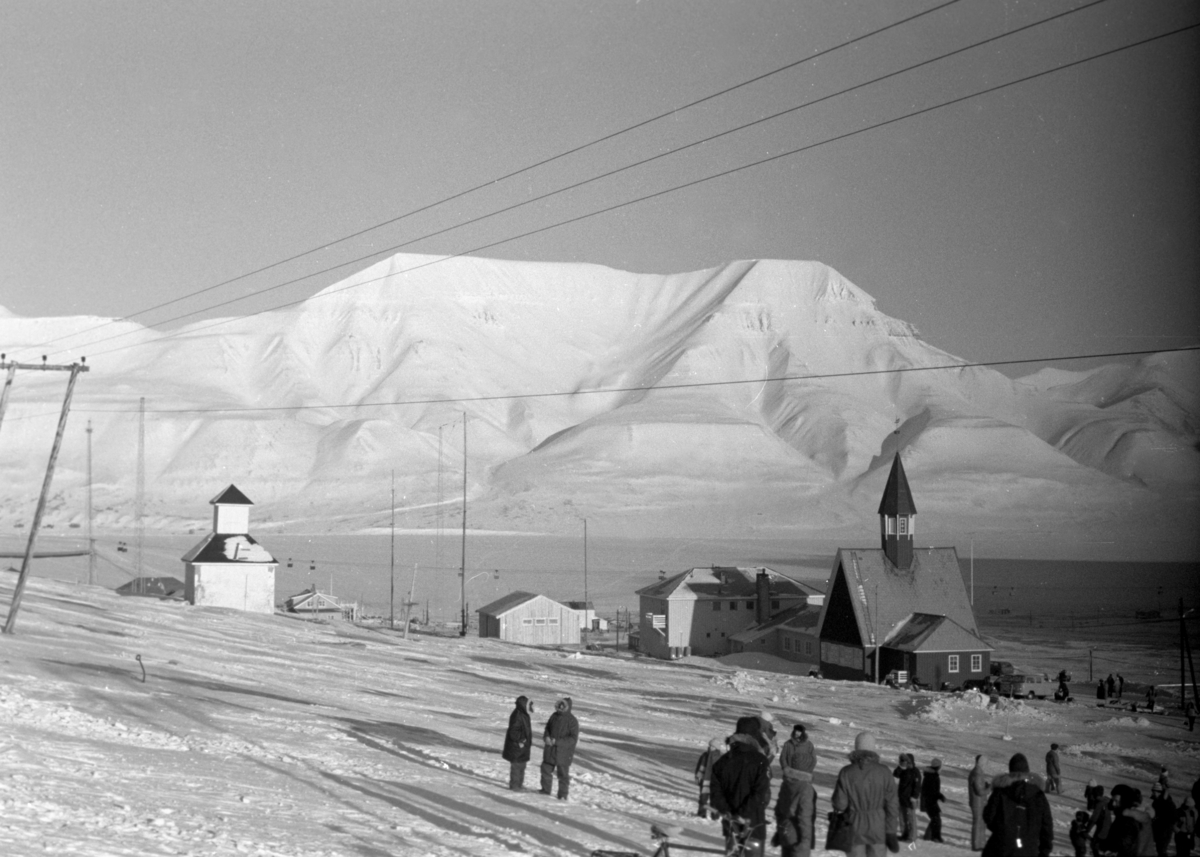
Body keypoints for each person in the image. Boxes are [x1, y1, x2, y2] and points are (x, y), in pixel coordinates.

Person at [830, 731, 900, 857]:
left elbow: (839, 804)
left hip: (853, 826)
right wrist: (891, 831)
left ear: (856, 748)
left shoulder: (846, 772)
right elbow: (892, 805)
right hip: (878, 826)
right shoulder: (884, 772)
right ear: (873, 749)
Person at [711, 716, 772, 857]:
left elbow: (715, 792)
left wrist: (728, 812)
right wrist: (744, 813)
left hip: (731, 826)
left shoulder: (723, 761)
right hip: (753, 826)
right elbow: (761, 793)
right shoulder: (760, 761)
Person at [981, 752, 1054, 857]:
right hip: (1029, 849)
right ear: (1027, 771)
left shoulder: (1001, 792)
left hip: (1001, 847)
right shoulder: (1038, 795)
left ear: (1010, 770)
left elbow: (988, 816)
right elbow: (1047, 826)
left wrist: (1003, 830)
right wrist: (1044, 851)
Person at [540, 697, 579, 800]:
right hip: (550, 750)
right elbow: (547, 728)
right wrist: (546, 737)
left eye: (563, 705)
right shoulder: (554, 716)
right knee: (545, 770)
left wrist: (558, 742)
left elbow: (573, 739)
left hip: (564, 753)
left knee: (563, 775)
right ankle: (545, 790)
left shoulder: (572, 721)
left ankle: (562, 795)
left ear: (568, 707)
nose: (561, 707)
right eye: (560, 705)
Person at [774, 764, 817, 857]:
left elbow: (778, 809)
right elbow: (804, 816)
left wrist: (778, 831)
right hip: (798, 835)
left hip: (785, 830)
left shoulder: (786, 784)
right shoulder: (806, 788)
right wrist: (806, 841)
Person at [1108, 785, 1153, 857]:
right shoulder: (1123, 816)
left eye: (1116, 801)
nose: (1113, 804)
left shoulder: (1129, 819)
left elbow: (1125, 843)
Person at [501, 695, 533, 790]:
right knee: (516, 768)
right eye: (529, 705)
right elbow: (513, 731)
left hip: (522, 748)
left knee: (522, 766)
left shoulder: (524, 714)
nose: (531, 707)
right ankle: (514, 786)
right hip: (516, 747)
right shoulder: (517, 715)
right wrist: (521, 739)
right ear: (524, 705)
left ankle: (519, 784)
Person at [893, 753, 921, 843]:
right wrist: (900, 767)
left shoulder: (915, 771)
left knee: (911, 818)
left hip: (910, 799)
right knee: (902, 818)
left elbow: (917, 786)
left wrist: (914, 797)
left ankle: (912, 837)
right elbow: (895, 775)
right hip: (901, 797)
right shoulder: (903, 770)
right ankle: (904, 835)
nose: (905, 763)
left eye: (906, 761)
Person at [694, 737, 724, 819]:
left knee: (714, 801)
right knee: (703, 799)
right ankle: (701, 814)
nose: (710, 747)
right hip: (704, 782)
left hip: (715, 783)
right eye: (710, 745)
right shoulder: (704, 755)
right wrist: (697, 777)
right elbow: (699, 767)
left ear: (716, 748)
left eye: (712, 746)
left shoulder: (721, 757)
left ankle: (714, 816)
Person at [920, 757, 945, 843]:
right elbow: (932, 791)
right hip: (930, 801)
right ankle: (935, 837)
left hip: (929, 801)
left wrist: (939, 796)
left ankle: (929, 836)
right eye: (941, 766)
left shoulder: (931, 775)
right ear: (938, 767)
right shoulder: (933, 776)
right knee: (936, 819)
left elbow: (933, 790)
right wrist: (940, 796)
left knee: (935, 819)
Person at [970, 754, 993, 850]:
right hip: (978, 803)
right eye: (985, 763)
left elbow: (979, 787)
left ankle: (979, 844)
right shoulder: (978, 774)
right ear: (982, 763)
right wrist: (990, 787)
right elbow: (980, 791)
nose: (986, 765)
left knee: (980, 824)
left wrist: (986, 785)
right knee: (978, 823)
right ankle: (977, 845)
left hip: (977, 803)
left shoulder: (977, 773)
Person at [1150, 783, 1176, 857]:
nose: (1152, 793)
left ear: (1158, 792)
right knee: (1160, 849)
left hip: (1165, 829)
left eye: (1154, 792)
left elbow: (1172, 817)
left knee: (1161, 850)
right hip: (1159, 829)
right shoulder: (1157, 801)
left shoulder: (1167, 802)